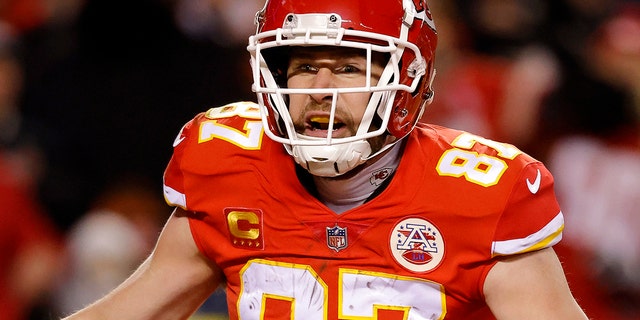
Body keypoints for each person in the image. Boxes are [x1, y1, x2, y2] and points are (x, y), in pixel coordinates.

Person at [62, 0, 588, 319]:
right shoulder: (226, 165)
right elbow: (137, 308)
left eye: (346, 67)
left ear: (407, 80)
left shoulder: (482, 194)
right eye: (304, 65)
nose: (320, 89)